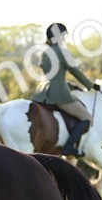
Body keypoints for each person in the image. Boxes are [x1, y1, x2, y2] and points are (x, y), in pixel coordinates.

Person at [31, 22, 97, 156]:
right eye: (64, 36)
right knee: (87, 118)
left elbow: (54, 75)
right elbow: (76, 71)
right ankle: (69, 147)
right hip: (59, 94)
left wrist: (70, 85)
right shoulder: (62, 51)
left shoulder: (44, 52)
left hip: (42, 93)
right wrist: (91, 85)